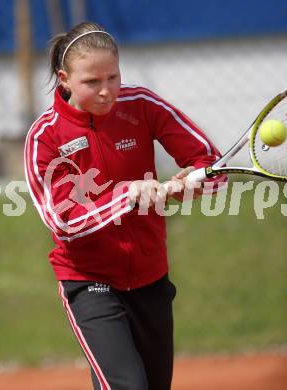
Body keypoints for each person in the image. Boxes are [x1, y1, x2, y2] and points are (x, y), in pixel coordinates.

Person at [24, 21, 227, 390]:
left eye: (113, 78)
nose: (106, 92)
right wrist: (127, 195)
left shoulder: (142, 105)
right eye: (92, 82)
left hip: (151, 276)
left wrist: (191, 185)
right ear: (65, 78)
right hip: (89, 283)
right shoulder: (45, 136)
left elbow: (212, 168)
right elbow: (63, 223)